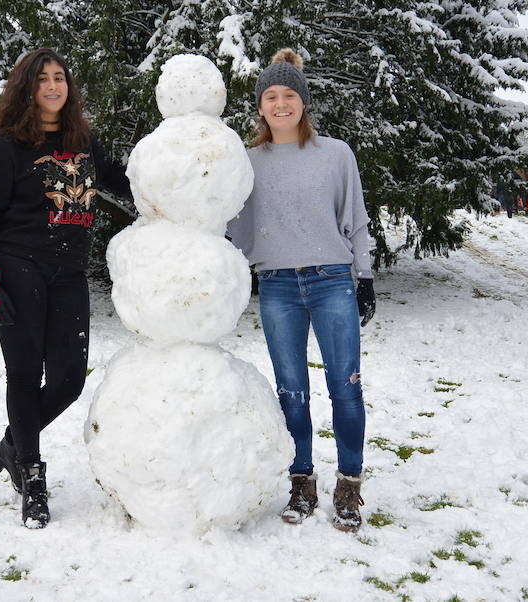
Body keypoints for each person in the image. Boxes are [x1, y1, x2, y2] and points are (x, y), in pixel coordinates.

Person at [0, 48, 131, 528]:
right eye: (43, 80)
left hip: (69, 273)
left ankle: (12, 444)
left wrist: (170, 175)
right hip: (19, 269)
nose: (54, 86)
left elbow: (121, 180)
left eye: (60, 77)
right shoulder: (9, 145)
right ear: (28, 88)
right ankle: (32, 477)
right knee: (23, 376)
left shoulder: (83, 141)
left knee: (67, 380)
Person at [227, 49, 375, 532]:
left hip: (332, 279)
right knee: (292, 391)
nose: (281, 103)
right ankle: (301, 480)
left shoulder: (335, 154)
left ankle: (349, 485)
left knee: (345, 389)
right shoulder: (247, 162)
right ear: (260, 106)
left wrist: (365, 276)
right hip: (277, 286)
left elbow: (356, 219)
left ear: (304, 101)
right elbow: (233, 222)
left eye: (289, 94)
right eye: (271, 96)